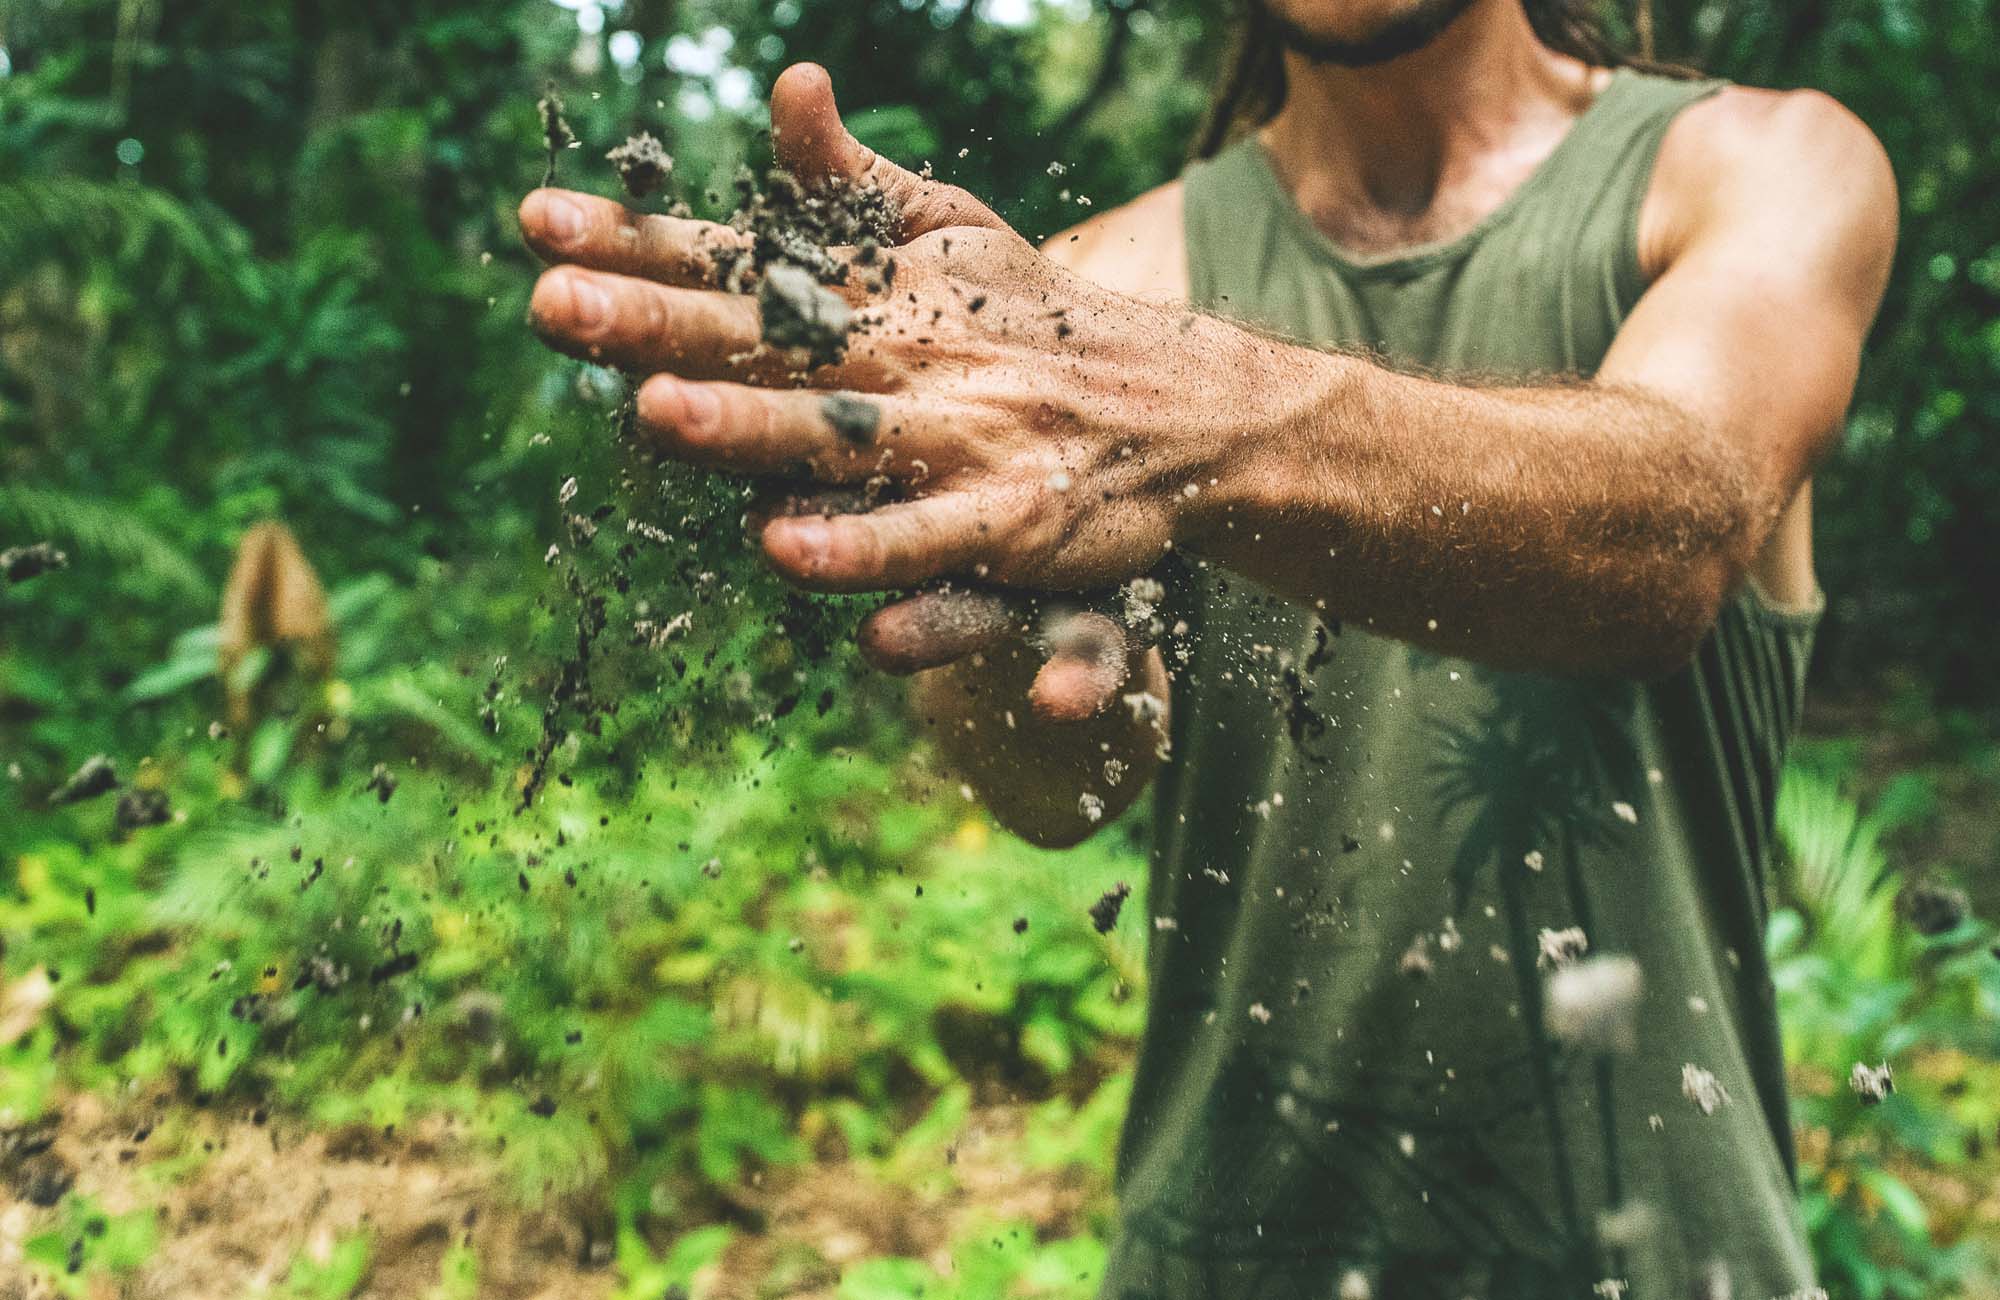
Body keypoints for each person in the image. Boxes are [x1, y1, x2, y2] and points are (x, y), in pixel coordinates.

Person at [519, 0, 1895, 1292]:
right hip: (1228, 1252)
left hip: (1661, 1253)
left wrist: (1198, 421)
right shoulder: (1099, 290)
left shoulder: (1760, 166)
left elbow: (1669, 535)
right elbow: (1050, 794)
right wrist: (1038, 647)